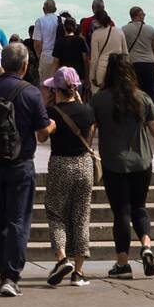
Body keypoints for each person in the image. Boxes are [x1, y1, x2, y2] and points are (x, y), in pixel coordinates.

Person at [0, 42, 53, 296]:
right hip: (20, 164)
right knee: (18, 219)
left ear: (2, 64)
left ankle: (3, 267)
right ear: (25, 66)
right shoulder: (31, 93)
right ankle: (10, 275)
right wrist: (53, 126)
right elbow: (42, 134)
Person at [93, 54, 154, 280]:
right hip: (142, 163)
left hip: (113, 162)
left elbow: (89, 131)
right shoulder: (142, 98)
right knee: (139, 207)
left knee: (121, 212)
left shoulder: (99, 100)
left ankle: (122, 263)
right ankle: (146, 246)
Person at [42, 66, 97, 287]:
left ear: (56, 89)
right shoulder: (88, 111)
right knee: (81, 216)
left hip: (60, 164)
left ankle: (62, 258)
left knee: (56, 214)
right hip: (84, 164)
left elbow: (42, 137)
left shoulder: (52, 112)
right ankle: (79, 272)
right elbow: (89, 138)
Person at [31, 0, 62, 83]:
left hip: (46, 55)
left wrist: (39, 56)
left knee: (46, 85)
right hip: (61, 56)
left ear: (44, 9)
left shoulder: (40, 21)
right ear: (55, 9)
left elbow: (37, 43)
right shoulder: (62, 20)